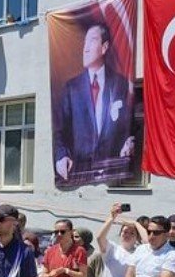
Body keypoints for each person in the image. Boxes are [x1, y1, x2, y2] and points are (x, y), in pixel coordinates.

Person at [54, 22, 134, 183]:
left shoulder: (120, 84)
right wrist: (61, 156)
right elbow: (59, 132)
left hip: (113, 173)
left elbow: (130, 125)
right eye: (85, 42)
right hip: (79, 174)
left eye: (92, 41)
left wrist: (130, 140)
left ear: (104, 47)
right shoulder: (72, 88)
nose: (86, 48)